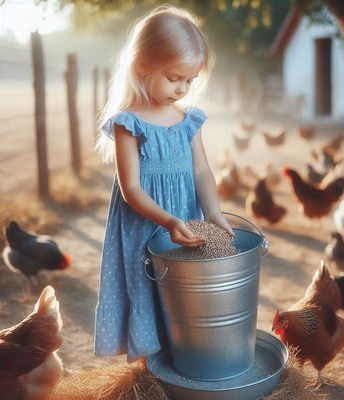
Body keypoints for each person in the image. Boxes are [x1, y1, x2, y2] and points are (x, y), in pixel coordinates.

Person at [94, 4, 233, 363]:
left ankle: (185, 354)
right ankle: (151, 366)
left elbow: (202, 172)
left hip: (186, 217)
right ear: (143, 65)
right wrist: (168, 221)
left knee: (183, 287)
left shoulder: (189, 119)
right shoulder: (129, 123)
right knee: (148, 286)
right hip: (146, 223)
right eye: (175, 78)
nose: (183, 88)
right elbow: (132, 189)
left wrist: (214, 211)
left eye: (190, 80)